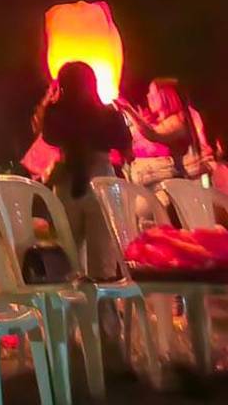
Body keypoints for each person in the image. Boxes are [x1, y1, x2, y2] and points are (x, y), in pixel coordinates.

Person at [37, 62, 131, 281]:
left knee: (68, 255)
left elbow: (48, 136)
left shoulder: (55, 113)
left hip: (67, 179)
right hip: (103, 179)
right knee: (103, 261)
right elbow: (128, 151)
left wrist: (48, 100)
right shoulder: (109, 114)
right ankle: (104, 301)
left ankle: (71, 301)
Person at [119, 78, 213, 190]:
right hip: (149, 187)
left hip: (177, 188)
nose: (149, 96)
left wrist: (129, 110)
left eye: (153, 93)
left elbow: (154, 134)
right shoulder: (154, 120)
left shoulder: (179, 120)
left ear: (166, 95)